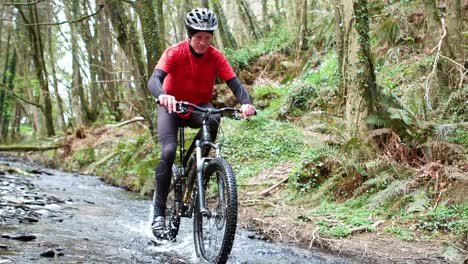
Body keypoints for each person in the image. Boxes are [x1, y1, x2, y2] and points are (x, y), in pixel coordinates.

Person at [147, 8, 256, 237]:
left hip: (198, 107)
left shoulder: (216, 56)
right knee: (168, 150)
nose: (203, 42)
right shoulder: (175, 52)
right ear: (190, 35)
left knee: (214, 116)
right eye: (198, 37)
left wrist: (246, 103)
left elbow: (234, 84)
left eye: (207, 38)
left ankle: (202, 167)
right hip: (172, 107)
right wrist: (162, 95)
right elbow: (154, 80)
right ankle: (158, 213)